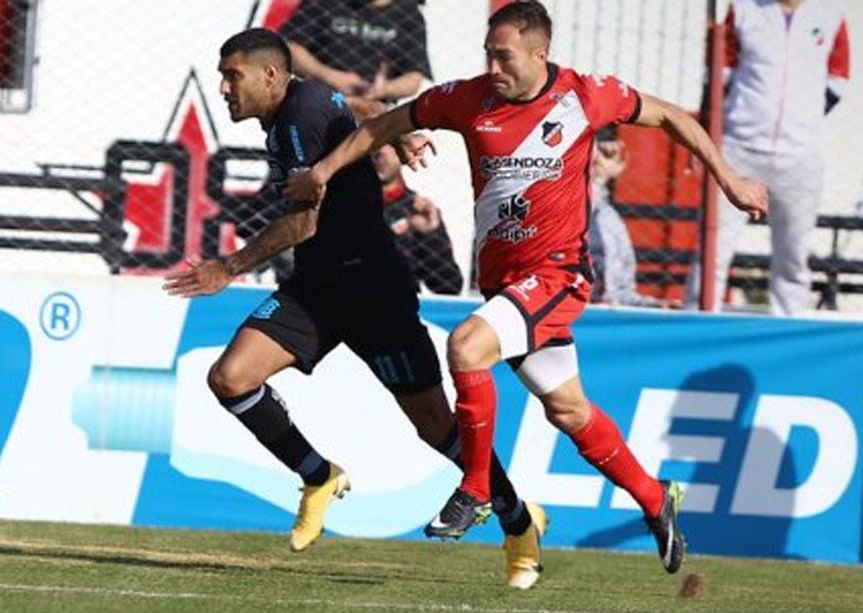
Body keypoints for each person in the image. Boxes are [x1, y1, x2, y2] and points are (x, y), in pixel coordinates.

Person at [285, 1, 767, 574]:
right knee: (568, 410)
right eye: (488, 55)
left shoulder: (585, 96)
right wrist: (322, 171)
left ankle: (476, 488)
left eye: (505, 56)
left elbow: (668, 117)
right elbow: (384, 125)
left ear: (541, 54)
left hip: (559, 275)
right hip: (505, 285)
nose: (493, 67)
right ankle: (653, 496)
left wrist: (728, 179)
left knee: (466, 347)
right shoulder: (468, 99)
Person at [163, 28, 550, 590]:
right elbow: (358, 107)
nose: (224, 88)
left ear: (270, 75)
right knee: (230, 378)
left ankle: (518, 522)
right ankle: (318, 476)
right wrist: (400, 134)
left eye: (232, 76)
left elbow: (304, 223)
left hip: (372, 287)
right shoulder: (306, 101)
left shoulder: (299, 117)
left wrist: (229, 267)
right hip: (317, 287)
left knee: (435, 426)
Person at [685, 0, 851, 315]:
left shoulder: (831, 15)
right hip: (738, 149)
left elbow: (838, 80)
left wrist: (803, 120)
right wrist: (708, 133)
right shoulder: (744, 9)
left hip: (800, 156)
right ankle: (697, 320)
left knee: (793, 254)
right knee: (713, 248)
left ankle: (789, 325)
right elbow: (719, 74)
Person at [281, 0, 431, 118]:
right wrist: (330, 76)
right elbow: (289, 47)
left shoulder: (409, 14)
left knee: (391, 146)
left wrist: (382, 89)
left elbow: (414, 78)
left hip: (371, 113)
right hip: (315, 101)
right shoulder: (325, 3)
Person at [588, 126, 666, 308]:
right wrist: (598, 178)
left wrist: (649, 306)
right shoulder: (554, 212)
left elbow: (619, 294)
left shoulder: (609, 220)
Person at [375, 143, 464, 295]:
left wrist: (430, 236)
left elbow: (449, 286)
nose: (380, 151)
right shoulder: (343, 206)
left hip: (397, 304)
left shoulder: (417, 210)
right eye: (374, 142)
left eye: (389, 142)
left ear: (404, 152)